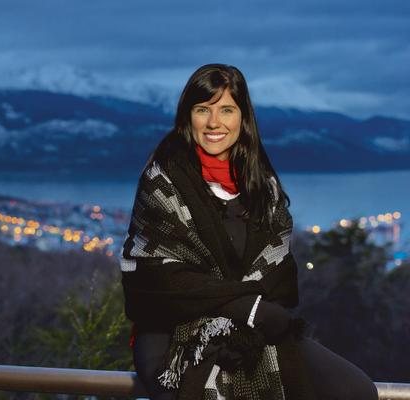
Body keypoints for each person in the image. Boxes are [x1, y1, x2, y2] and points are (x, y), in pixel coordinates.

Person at [119, 64, 378, 400]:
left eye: (227, 110)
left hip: (256, 328)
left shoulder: (262, 185)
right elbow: (157, 277)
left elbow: (280, 274)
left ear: (243, 118)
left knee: (356, 391)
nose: (215, 123)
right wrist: (248, 309)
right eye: (203, 110)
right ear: (188, 117)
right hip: (171, 335)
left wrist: (251, 313)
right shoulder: (162, 181)